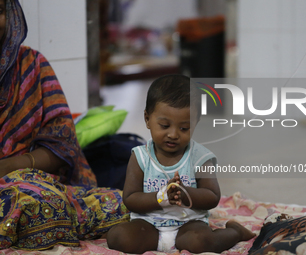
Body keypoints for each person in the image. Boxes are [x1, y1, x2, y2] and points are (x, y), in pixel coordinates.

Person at [0, 0, 129, 250]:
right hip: (23, 195)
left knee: (126, 203)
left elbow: (63, 145)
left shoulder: (32, 65)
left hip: (40, 184)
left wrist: (9, 166)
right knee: (36, 205)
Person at [106, 74, 255, 253]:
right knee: (118, 237)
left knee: (200, 242)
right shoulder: (140, 156)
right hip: (148, 225)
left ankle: (234, 232)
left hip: (189, 225)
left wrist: (186, 194)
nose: (174, 134)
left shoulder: (200, 157)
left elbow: (212, 196)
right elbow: (130, 199)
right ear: (147, 119)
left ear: (195, 123)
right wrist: (161, 197)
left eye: (184, 128)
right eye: (164, 125)